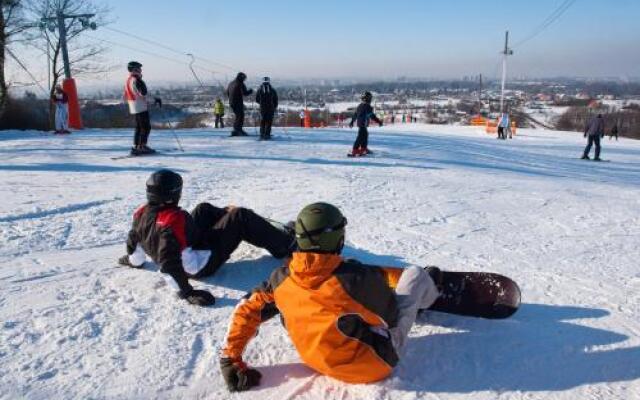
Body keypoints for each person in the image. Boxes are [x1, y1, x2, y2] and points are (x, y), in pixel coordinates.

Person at [219, 202, 440, 391]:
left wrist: (230, 358)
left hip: (314, 360)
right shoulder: (354, 280)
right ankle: (430, 293)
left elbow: (246, 308)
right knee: (416, 275)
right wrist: (378, 287)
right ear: (337, 238)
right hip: (372, 367)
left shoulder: (280, 279)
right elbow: (391, 315)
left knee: (299, 305)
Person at [117, 169, 296, 306]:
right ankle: (287, 245)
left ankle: (228, 215)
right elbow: (168, 261)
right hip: (199, 264)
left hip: (191, 246)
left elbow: (134, 242)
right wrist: (187, 292)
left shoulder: (141, 213)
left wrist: (134, 261)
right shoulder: (173, 222)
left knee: (203, 209)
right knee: (241, 217)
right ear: (174, 194)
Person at [124, 61, 154, 155]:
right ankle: (142, 147)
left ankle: (137, 145)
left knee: (139, 127)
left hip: (134, 106)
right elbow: (143, 94)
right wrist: (155, 100)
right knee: (146, 127)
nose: (141, 70)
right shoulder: (137, 80)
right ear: (134, 69)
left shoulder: (129, 79)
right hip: (140, 106)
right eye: (139, 68)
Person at [348, 91, 382, 156]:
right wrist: (379, 122)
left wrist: (352, 122)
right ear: (368, 99)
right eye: (370, 98)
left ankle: (363, 148)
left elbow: (355, 115)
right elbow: (372, 116)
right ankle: (355, 150)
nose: (371, 100)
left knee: (365, 135)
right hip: (363, 123)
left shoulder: (360, 105)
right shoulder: (367, 106)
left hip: (361, 124)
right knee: (360, 137)